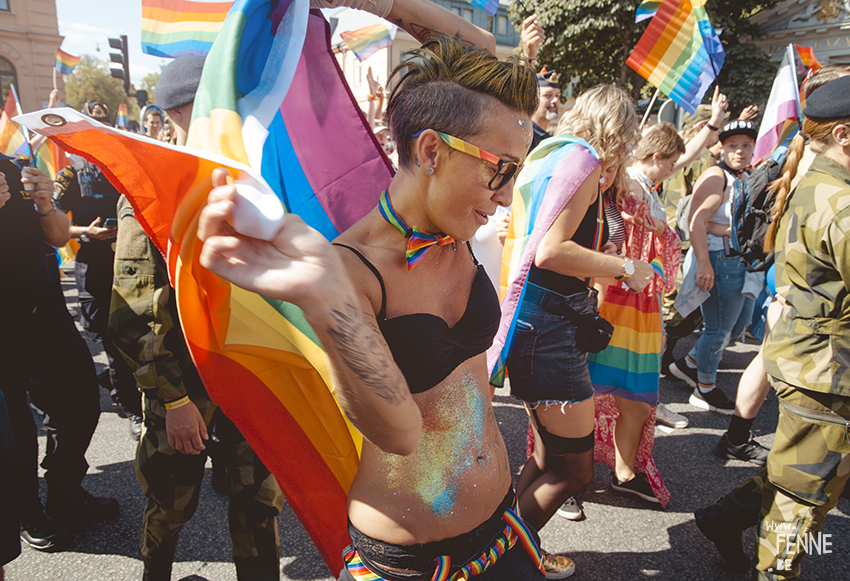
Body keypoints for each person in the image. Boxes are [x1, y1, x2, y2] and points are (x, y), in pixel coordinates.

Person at [197, 37, 562, 581]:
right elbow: (397, 431)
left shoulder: (457, 226)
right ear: (432, 152)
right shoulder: (348, 269)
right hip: (414, 564)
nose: (507, 195)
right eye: (501, 170)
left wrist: (383, 7)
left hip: (502, 527)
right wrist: (327, 302)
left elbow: (478, 49)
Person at [107, 54, 285, 581]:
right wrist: (175, 400)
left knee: (258, 503)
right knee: (170, 505)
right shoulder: (154, 184)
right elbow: (134, 312)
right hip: (186, 382)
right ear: (178, 113)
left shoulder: (253, 176)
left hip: (249, 376)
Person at [695, 75, 850, 580]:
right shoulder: (840, 202)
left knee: (795, 473)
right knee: (803, 498)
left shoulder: (814, 181)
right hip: (825, 369)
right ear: (844, 135)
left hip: (811, 357)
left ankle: (722, 520)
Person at [490, 84, 653, 546]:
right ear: (619, 128)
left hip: (541, 318)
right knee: (573, 470)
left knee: (548, 458)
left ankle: (502, 550)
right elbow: (551, 251)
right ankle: (499, 562)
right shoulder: (583, 161)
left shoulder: (553, 154)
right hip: (550, 324)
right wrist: (626, 267)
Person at [0, 158, 117, 551]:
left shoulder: (11, 167)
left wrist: (46, 205)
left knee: (83, 401)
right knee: (17, 430)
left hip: (46, 313)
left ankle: (65, 491)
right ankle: (27, 513)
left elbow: (56, 236)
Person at [584, 122, 685, 508]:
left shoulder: (639, 186)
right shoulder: (622, 184)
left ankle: (624, 473)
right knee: (581, 394)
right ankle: (567, 478)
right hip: (612, 296)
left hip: (641, 303)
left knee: (636, 401)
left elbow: (658, 247)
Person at [54, 102, 143, 440]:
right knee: (111, 339)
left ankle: (142, 399)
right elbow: (55, 222)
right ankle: (132, 409)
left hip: (130, 262)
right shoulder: (73, 172)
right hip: (94, 265)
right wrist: (84, 233)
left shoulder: (125, 164)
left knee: (138, 334)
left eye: (103, 125)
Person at [667, 119, 759, 414]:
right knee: (718, 329)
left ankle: (689, 363)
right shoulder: (717, 174)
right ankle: (704, 388)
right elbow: (697, 220)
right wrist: (705, 263)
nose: (740, 151)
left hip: (739, 260)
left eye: (746, 145)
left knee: (734, 327)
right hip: (720, 260)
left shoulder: (745, 174)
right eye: (733, 145)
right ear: (722, 147)